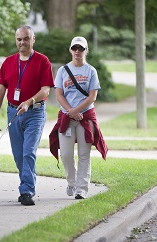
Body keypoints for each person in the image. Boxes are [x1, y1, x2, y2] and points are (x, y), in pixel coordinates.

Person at [0, 25, 54, 206]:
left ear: (33, 39)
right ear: (16, 41)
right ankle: (27, 182)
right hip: (13, 112)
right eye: (19, 39)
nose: (22, 42)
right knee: (18, 155)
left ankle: (26, 190)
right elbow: (1, 89)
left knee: (28, 152)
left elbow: (45, 90)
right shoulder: (9, 62)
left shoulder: (43, 61)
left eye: (26, 39)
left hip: (34, 113)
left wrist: (28, 102)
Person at [49, 36, 108, 200]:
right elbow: (59, 94)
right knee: (66, 154)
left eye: (80, 48)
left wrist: (76, 110)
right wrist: (71, 111)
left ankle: (81, 188)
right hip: (67, 117)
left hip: (85, 117)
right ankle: (72, 182)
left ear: (85, 51)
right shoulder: (62, 71)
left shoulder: (91, 71)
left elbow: (92, 97)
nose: (77, 51)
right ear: (70, 50)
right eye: (74, 48)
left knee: (84, 154)